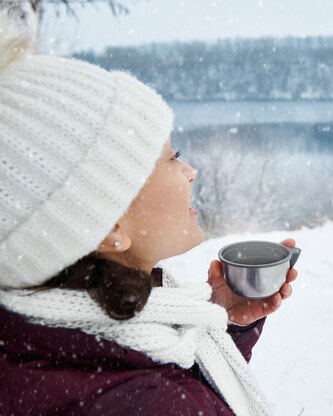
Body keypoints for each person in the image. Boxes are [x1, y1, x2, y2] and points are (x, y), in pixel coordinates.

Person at [0, 13, 297, 416]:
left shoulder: (47, 343)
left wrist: (221, 322)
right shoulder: (149, 403)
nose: (191, 172)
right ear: (109, 228)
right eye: (172, 158)